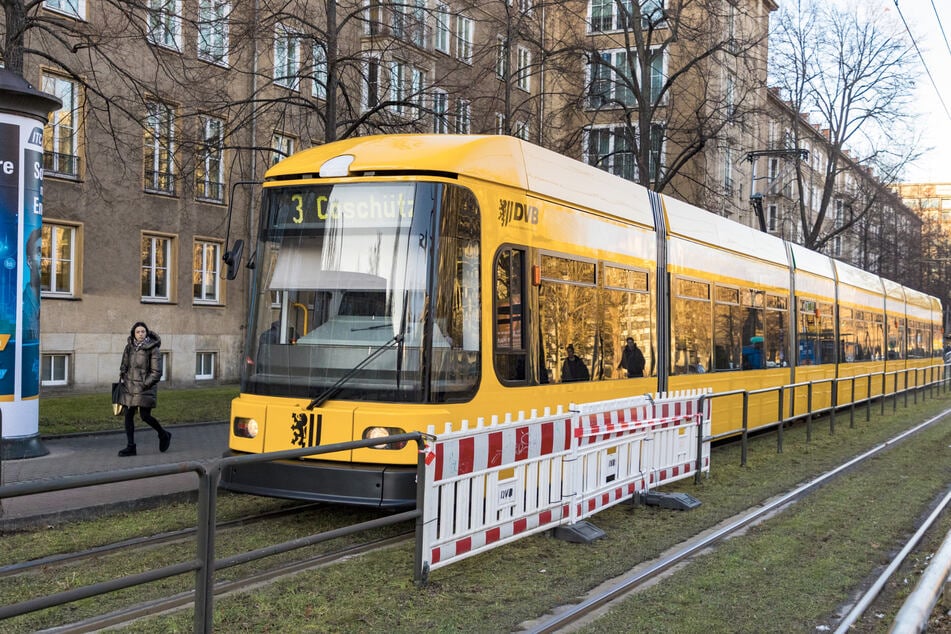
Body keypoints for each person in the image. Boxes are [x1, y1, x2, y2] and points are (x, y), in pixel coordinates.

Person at [117, 322, 170, 456]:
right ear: (133, 334)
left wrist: (144, 385)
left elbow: (156, 372)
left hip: (145, 388)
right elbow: (124, 365)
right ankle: (131, 447)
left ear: (146, 333)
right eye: (138, 332)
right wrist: (123, 374)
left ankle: (163, 434)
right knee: (128, 415)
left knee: (145, 416)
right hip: (129, 387)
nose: (141, 334)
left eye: (143, 331)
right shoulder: (129, 347)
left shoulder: (153, 349)